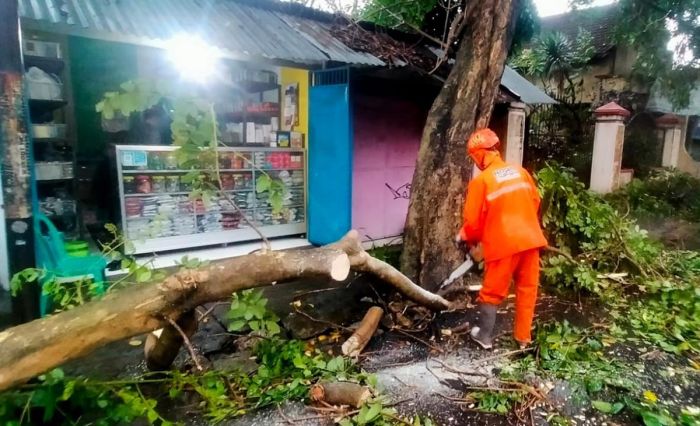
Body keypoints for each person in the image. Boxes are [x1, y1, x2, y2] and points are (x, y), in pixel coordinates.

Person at [456, 128, 547, 350]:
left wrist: (465, 238)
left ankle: (484, 336)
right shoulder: (520, 171)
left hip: (503, 245)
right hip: (530, 240)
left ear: (479, 154)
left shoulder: (482, 182)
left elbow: (473, 223)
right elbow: (535, 202)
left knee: (492, 291)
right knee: (527, 289)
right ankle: (523, 339)